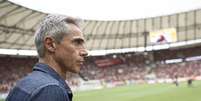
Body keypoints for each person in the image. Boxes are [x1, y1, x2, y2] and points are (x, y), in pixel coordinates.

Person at [6, 14, 88, 101]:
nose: (85, 52)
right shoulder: (51, 90)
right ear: (50, 45)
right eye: (77, 42)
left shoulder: (23, 83)